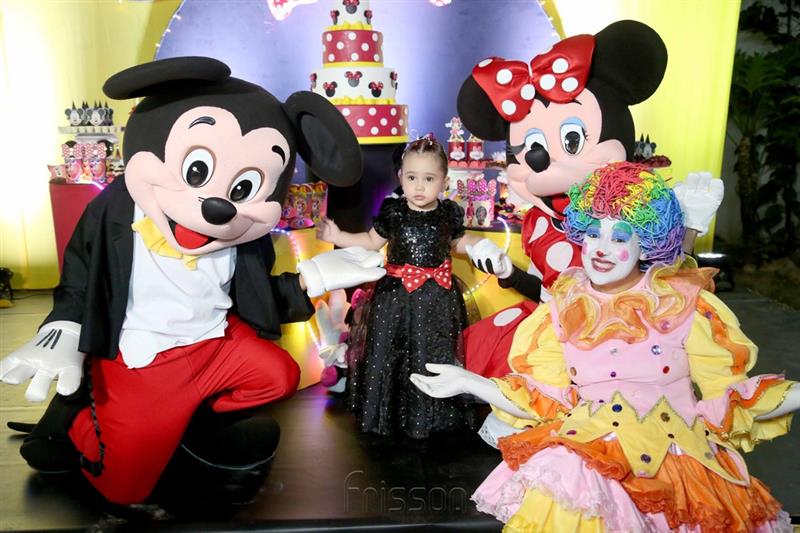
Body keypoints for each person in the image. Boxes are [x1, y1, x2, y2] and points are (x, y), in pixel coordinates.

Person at [411, 162, 798, 531]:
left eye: (619, 238)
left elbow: (730, 397)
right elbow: (543, 399)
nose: (600, 248)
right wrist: (470, 382)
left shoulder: (682, 305)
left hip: (681, 466)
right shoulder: (563, 308)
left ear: (646, 245)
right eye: (594, 234)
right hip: (588, 462)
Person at [317, 134, 483, 438]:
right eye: (411, 178)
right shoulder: (394, 213)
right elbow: (370, 242)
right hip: (396, 297)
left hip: (437, 297)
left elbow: (457, 243)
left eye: (429, 179)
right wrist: (338, 236)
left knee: (432, 352)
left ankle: (432, 415)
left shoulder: (448, 213)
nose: (419, 187)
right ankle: (390, 412)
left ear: (444, 182)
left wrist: (477, 246)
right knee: (391, 351)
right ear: (400, 177)